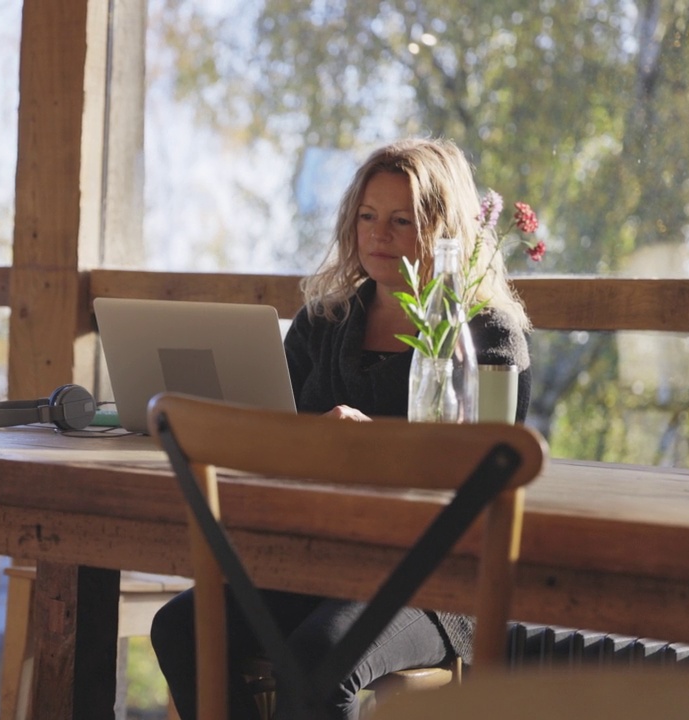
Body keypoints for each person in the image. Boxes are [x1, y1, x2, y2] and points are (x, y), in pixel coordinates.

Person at [149, 137, 532, 719]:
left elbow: (487, 471)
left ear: (446, 229)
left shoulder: (487, 335)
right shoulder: (322, 323)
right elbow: (272, 437)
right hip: (313, 558)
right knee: (179, 627)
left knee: (317, 659)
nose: (379, 235)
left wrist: (368, 441)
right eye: (367, 217)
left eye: (402, 220)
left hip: (434, 577)